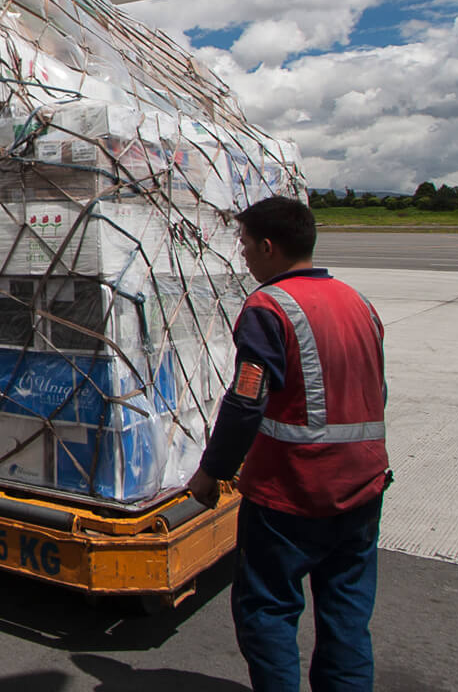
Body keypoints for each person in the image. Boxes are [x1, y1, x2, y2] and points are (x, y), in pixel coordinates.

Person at [188, 196, 390, 692]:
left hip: (294, 492)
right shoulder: (358, 302)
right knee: (346, 612)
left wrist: (212, 471)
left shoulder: (268, 308)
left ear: (268, 246)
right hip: (363, 487)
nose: (244, 256)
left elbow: (245, 403)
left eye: (245, 245)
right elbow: (377, 389)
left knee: (268, 608)